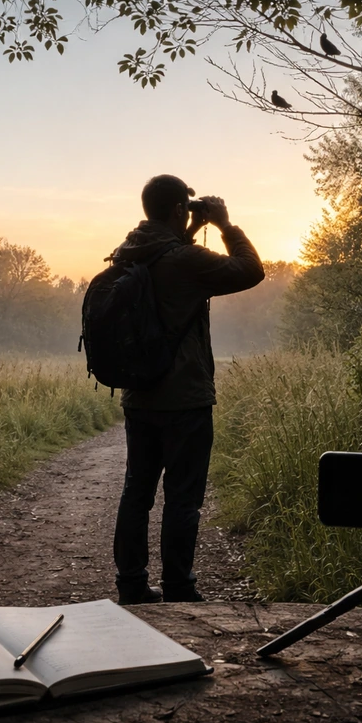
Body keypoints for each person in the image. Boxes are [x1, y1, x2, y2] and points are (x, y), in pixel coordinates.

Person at [112, 174, 265, 605]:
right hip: (184, 398)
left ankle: (132, 586)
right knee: (182, 497)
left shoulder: (128, 252)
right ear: (179, 209)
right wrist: (225, 225)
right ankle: (179, 588)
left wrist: (191, 226)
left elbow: (167, 257)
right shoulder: (186, 260)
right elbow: (251, 270)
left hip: (139, 394)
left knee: (136, 493)